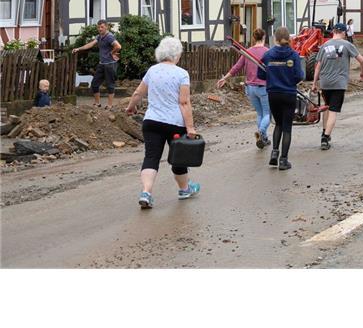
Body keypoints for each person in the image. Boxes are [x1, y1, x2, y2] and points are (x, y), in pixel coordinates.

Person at [125, 36, 199, 208]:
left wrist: (130, 107)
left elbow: (138, 93)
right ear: (176, 55)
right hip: (175, 123)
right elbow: (184, 102)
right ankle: (184, 189)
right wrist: (190, 127)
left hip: (152, 122)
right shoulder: (182, 74)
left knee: (151, 157)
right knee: (178, 158)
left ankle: (146, 192)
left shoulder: (152, 71)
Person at [311, 23, 363, 150]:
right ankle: (325, 138)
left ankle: (324, 132)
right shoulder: (347, 45)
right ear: (343, 32)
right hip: (339, 83)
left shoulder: (324, 46)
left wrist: (314, 83)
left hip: (325, 82)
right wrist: (362, 72)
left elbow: (318, 66)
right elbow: (362, 60)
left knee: (326, 107)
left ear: (334, 31)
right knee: (333, 111)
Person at [217, 28, 271, 149]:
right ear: (264, 37)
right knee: (267, 114)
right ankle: (261, 132)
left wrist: (225, 78)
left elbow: (237, 67)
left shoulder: (248, 52)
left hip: (250, 88)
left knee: (259, 113)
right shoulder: (268, 52)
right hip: (263, 87)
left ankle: (264, 138)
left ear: (253, 38)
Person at [261, 26, 305, 170]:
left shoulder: (268, 55)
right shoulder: (293, 55)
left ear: (275, 38)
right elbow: (299, 76)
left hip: (273, 94)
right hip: (289, 94)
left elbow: (261, 75)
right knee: (287, 127)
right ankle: (283, 160)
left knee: (278, 124)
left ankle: (274, 153)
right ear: (289, 38)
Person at [74, 20, 121, 109]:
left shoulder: (109, 37)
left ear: (106, 27)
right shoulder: (100, 37)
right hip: (102, 64)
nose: (100, 29)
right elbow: (91, 44)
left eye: (102, 27)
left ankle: (110, 105)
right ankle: (97, 103)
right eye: (98, 27)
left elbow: (118, 46)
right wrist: (78, 49)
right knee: (94, 84)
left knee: (110, 85)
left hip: (110, 64)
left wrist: (112, 53)